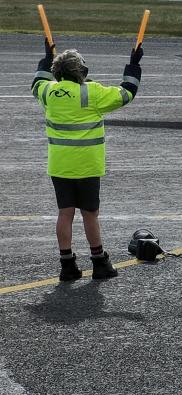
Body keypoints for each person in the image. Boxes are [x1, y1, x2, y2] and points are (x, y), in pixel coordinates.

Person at [31, 42, 143, 281]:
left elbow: (37, 83)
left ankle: (67, 265)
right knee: (90, 214)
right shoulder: (92, 93)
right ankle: (99, 262)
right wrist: (133, 65)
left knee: (65, 213)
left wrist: (46, 58)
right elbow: (127, 93)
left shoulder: (49, 93)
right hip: (87, 165)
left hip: (60, 165)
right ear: (81, 72)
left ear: (57, 72)